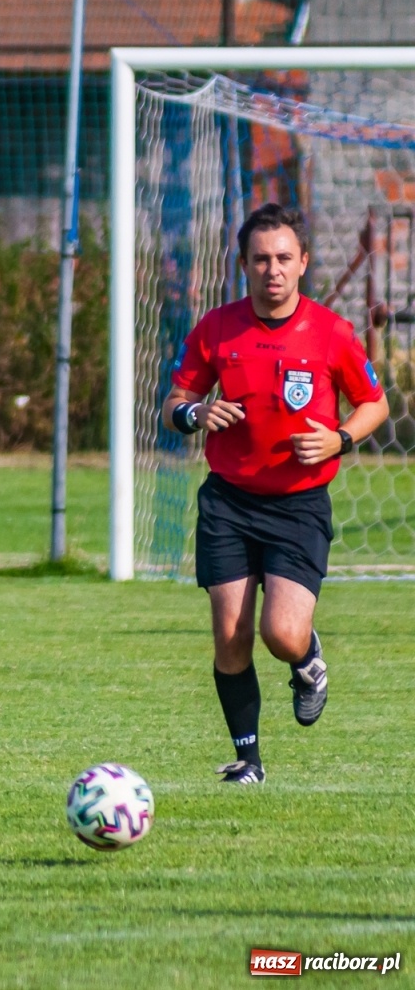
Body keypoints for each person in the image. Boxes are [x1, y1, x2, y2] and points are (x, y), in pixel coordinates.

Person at [162, 203, 388, 786]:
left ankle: (307, 659)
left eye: (284, 258)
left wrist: (338, 439)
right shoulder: (217, 327)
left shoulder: (330, 333)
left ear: (304, 262)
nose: (273, 270)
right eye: (261, 259)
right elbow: (176, 400)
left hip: (299, 505)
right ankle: (248, 760)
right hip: (229, 501)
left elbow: (375, 404)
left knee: (280, 635)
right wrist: (196, 412)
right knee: (230, 637)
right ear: (243, 264)